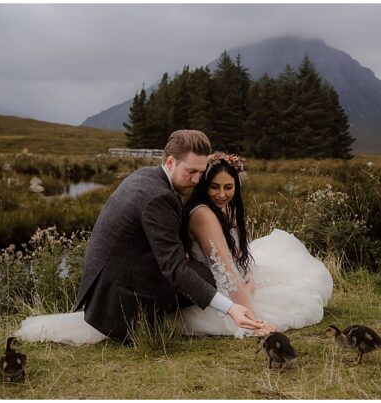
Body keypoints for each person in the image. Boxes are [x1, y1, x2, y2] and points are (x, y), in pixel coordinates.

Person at [16, 130, 263, 345]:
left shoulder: (146, 175)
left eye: (200, 172)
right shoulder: (158, 198)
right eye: (191, 172)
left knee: (198, 272)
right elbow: (175, 271)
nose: (197, 180)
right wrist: (230, 308)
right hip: (122, 301)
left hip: (109, 280)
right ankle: (146, 320)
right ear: (170, 161)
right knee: (207, 277)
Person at [176, 152, 333, 338]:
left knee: (300, 278)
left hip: (236, 276)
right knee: (290, 300)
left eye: (228, 187)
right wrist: (254, 320)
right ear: (204, 186)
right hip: (217, 289)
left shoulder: (224, 207)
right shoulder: (203, 214)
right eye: (214, 187)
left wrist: (249, 276)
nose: (221, 194)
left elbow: (237, 253)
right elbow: (225, 270)